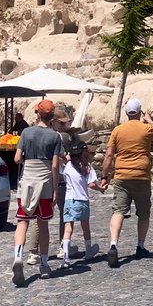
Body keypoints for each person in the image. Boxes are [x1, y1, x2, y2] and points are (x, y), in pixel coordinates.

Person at [100, 98, 153, 268]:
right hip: (141, 176)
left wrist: (104, 176)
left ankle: (113, 244)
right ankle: (140, 246)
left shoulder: (117, 131)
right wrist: (149, 120)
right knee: (143, 213)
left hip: (121, 176)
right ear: (139, 112)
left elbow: (109, 155)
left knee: (118, 211)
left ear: (127, 113)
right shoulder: (145, 129)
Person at [11, 99, 63, 286]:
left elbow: (17, 159)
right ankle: (43, 264)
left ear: (37, 113)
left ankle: (18, 256)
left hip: (28, 182)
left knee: (22, 221)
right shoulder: (55, 137)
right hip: (45, 183)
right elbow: (55, 165)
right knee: (43, 225)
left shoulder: (26, 132)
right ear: (51, 116)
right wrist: (56, 189)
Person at [59, 143, 102, 266]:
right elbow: (91, 184)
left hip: (69, 200)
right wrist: (101, 189)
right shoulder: (86, 167)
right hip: (82, 200)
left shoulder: (68, 166)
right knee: (85, 227)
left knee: (68, 229)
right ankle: (88, 250)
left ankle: (65, 258)